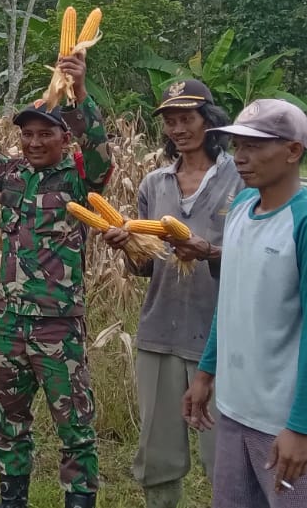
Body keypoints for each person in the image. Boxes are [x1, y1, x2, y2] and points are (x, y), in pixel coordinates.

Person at [0, 51, 112, 508]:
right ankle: (13, 500)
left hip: (57, 328)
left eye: (44, 134)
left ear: (62, 137)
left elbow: (100, 156)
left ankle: (79, 500)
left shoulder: (78, 181)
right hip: (10, 327)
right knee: (9, 424)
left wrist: (80, 93)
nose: (32, 142)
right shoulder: (13, 177)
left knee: (74, 429)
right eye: (27, 134)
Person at [180, 99, 307, 508]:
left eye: (254, 147)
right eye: (237, 146)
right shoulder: (240, 208)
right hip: (235, 409)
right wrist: (205, 373)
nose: (240, 158)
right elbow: (231, 300)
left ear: (293, 151)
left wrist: (301, 427)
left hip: (284, 422)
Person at [101, 80, 242, 508]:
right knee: (158, 453)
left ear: (209, 121)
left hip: (220, 336)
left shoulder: (241, 177)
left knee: (225, 456)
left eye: (188, 119)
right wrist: (128, 247)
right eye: (171, 122)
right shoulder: (154, 183)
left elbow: (261, 258)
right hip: (160, 332)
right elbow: (146, 268)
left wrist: (210, 251)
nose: (179, 129)